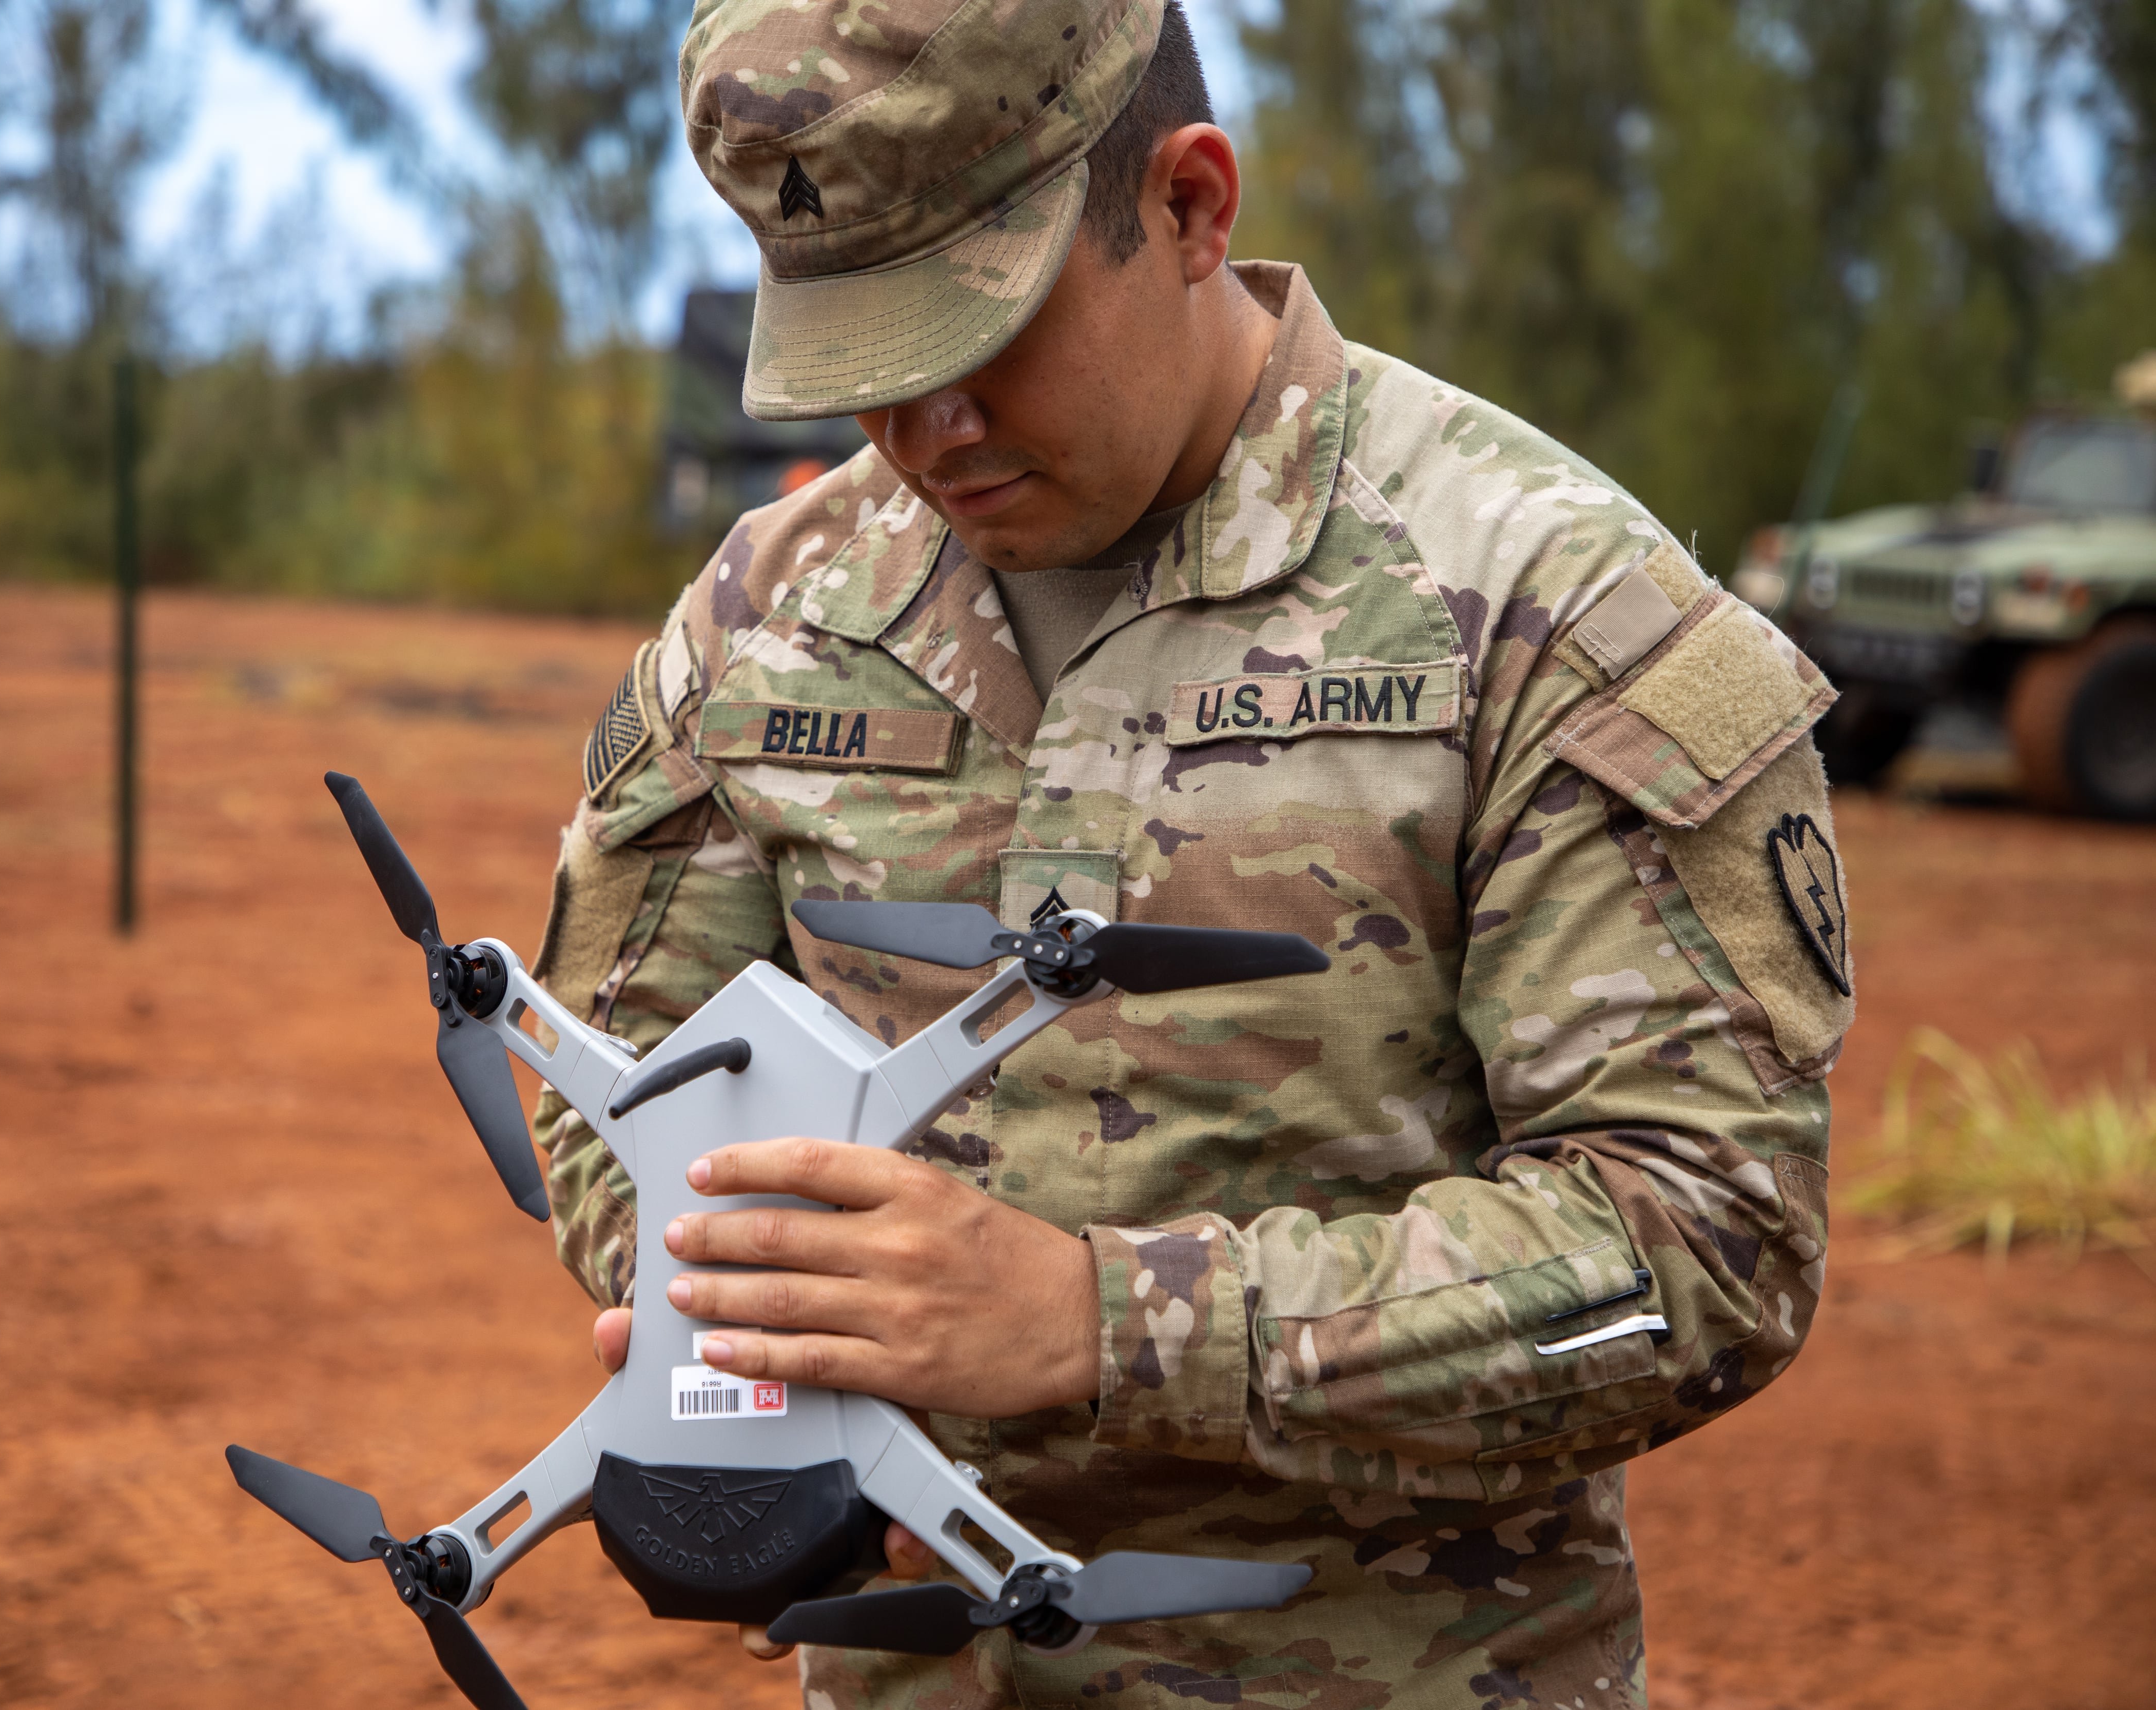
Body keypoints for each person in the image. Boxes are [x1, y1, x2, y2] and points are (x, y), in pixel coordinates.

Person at [526, 1, 1853, 1703]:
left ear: (1189, 207)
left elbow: (1707, 1244)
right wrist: (746, 1322)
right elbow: (610, 1078)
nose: (927, 434)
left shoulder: (1547, 611)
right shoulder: (768, 614)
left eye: (976, 334)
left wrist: (1100, 1325)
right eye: (865, 367)